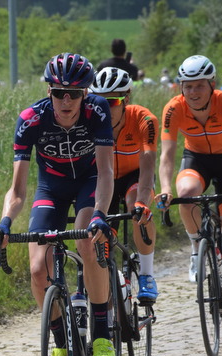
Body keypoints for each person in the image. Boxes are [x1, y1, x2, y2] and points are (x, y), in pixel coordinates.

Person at [0, 53, 116, 356]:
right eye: (59, 92)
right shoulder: (31, 119)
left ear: (86, 93)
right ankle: (61, 347)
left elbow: (105, 172)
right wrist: (4, 223)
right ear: (49, 92)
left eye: (74, 93)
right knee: (36, 268)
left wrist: (100, 214)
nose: (67, 100)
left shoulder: (98, 110)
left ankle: (101, 332)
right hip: (52, 188)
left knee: (86, 241)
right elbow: (17, 191)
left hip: (89, 183)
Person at [158, 55, 222, 335]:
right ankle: (195, 247)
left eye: (199, 86)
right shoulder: (173, 108)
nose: (192, 92)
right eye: (187, 86)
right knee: (186, 194)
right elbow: (166, 156)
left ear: (211, 84)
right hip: (196, 158)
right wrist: (165, 187)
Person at [90, 67, 159, 304]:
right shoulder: (89, 122)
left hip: (134, 176)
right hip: (104, 179)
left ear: (126, 99)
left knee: (134, 206)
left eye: (112, 102)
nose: (105, 108)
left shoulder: (144, 119)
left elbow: (148, 163)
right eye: (98, 101)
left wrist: (143, 201)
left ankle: (147, 275)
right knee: (99, 231)